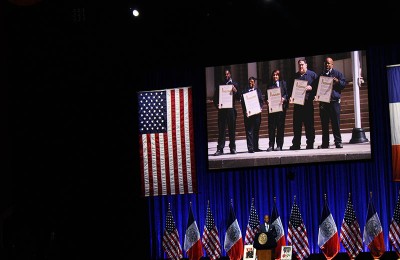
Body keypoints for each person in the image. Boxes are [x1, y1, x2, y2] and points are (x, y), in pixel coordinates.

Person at [317, 57, 346, 149]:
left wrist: (337, 81)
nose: (327, 65)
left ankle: (338, 142)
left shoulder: (337, 74)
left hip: (334, 102)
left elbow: (343, 84)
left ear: (332, 64)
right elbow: (317, 87)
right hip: (324, 103)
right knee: (324, 124)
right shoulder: (320, 75)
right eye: (325, 63)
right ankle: (325, 143)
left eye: (329, 63)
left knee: (335, 123)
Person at [289, 59, 318, 150]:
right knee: (296, 125)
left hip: (308, 104)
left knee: (309, 125)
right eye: (299, 65)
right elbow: (291, 89)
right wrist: (290, 97)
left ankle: (310, 143)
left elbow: (318, 87)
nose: (300, 66)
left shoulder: (312, 75)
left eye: (302, 65)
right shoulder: (295, 76)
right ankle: (296, 144)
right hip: (297, 105)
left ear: (306, 65)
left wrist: (312, 87)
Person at [213, 69, 240, 156]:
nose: (226, 76)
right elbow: (215, 98)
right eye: (225, 75)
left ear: (230, 74)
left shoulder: (235, 84)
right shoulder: (220, 85)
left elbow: (239, 97)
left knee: (232, 130)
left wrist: (235, 91)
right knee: (221, 130)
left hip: (231, 110)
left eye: (227, 74)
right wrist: (217, 105)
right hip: (222, 111)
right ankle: (220, 149)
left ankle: (232, 148)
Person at [265, 69, 289, 151]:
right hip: (272, 110)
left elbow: (287, 94)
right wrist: (267, 101)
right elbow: (266, 97)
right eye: (274, 75)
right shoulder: (269, 85)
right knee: (271, 128)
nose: (275, 76)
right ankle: (271, 145)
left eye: (277, 75)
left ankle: (279, 145)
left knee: (280, 127)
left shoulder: (283, 83)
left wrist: (284, 98)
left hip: (281, 109)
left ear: (279, 76)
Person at [240, 76, 264, 153]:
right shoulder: (245, 92)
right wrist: (245, 112)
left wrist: (260, 107)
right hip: (249, 115)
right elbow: (243, 104)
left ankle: (256, 147)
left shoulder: (258, 91)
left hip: (257, 114)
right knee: (249, 131)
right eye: (250, 82)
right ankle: (250, 147)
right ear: (248, 82)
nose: (251, 83)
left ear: (254, 83)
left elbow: (261, 101)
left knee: (256, 131)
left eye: (252, 82)